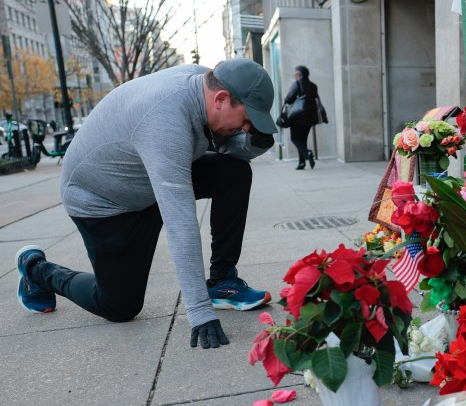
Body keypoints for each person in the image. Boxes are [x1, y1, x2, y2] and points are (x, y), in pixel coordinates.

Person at [14, 58, 278, 349]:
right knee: (119, 307)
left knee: (233, 173)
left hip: (145, 181)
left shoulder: (205, 85)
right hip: (104, 204)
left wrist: (256, 142)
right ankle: (36, 269)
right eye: (247, 119)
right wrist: (199, 312)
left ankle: (222, 281)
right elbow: (180, 222)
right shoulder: (165, 119)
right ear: (221, 99)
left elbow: (227, 149)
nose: (246, 127)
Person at [283, 65, 326, 170]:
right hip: (310, 117)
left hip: (297, 117)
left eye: (296, 73)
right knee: (302, 140)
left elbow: (289, 98)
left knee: (294, 138)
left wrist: (286, 98)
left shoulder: (297, 83)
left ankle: (307, 153)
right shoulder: (313, 85)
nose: (295, 75)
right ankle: (302, 163)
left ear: (300, 74)